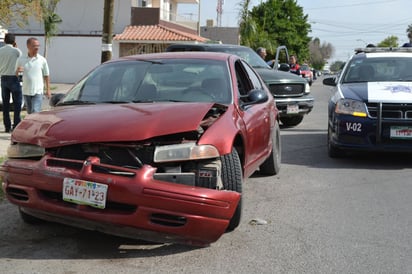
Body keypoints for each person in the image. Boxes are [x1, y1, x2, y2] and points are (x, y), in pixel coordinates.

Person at [16, 37, 51, 114]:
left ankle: (36, 125)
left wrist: (48, 90)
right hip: (26, 91)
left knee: (35, 111)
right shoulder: (21, 59)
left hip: (38, 91)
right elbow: (16, 74)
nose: (37, 48)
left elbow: (46, 75)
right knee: (30, 112)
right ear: (28, 46)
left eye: (38, 46)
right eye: (34, 46)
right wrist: (18, 71)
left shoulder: (42, 60)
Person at [0, 33, 23, 133]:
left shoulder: (0, 51)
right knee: (17, 103)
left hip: (3, 78)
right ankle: (16, 124)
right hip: (14, 78)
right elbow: (21, 62)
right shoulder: (16, 51)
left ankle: (7, 126)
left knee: (5, 104)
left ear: (4, 41)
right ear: (14, 41)